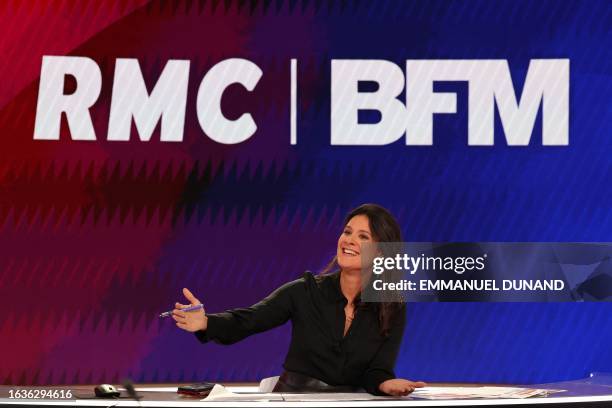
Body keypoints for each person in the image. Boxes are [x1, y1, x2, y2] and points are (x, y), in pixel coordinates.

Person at [172, 203, 426, 396]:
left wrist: (385, 383)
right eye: (347, 232)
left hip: (350, 403)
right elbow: (249, 319)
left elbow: (377, 371)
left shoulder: (391, 306)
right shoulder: (305, 291)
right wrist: (206, 322)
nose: (349, 240)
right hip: (295, 398)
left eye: (363, 237)